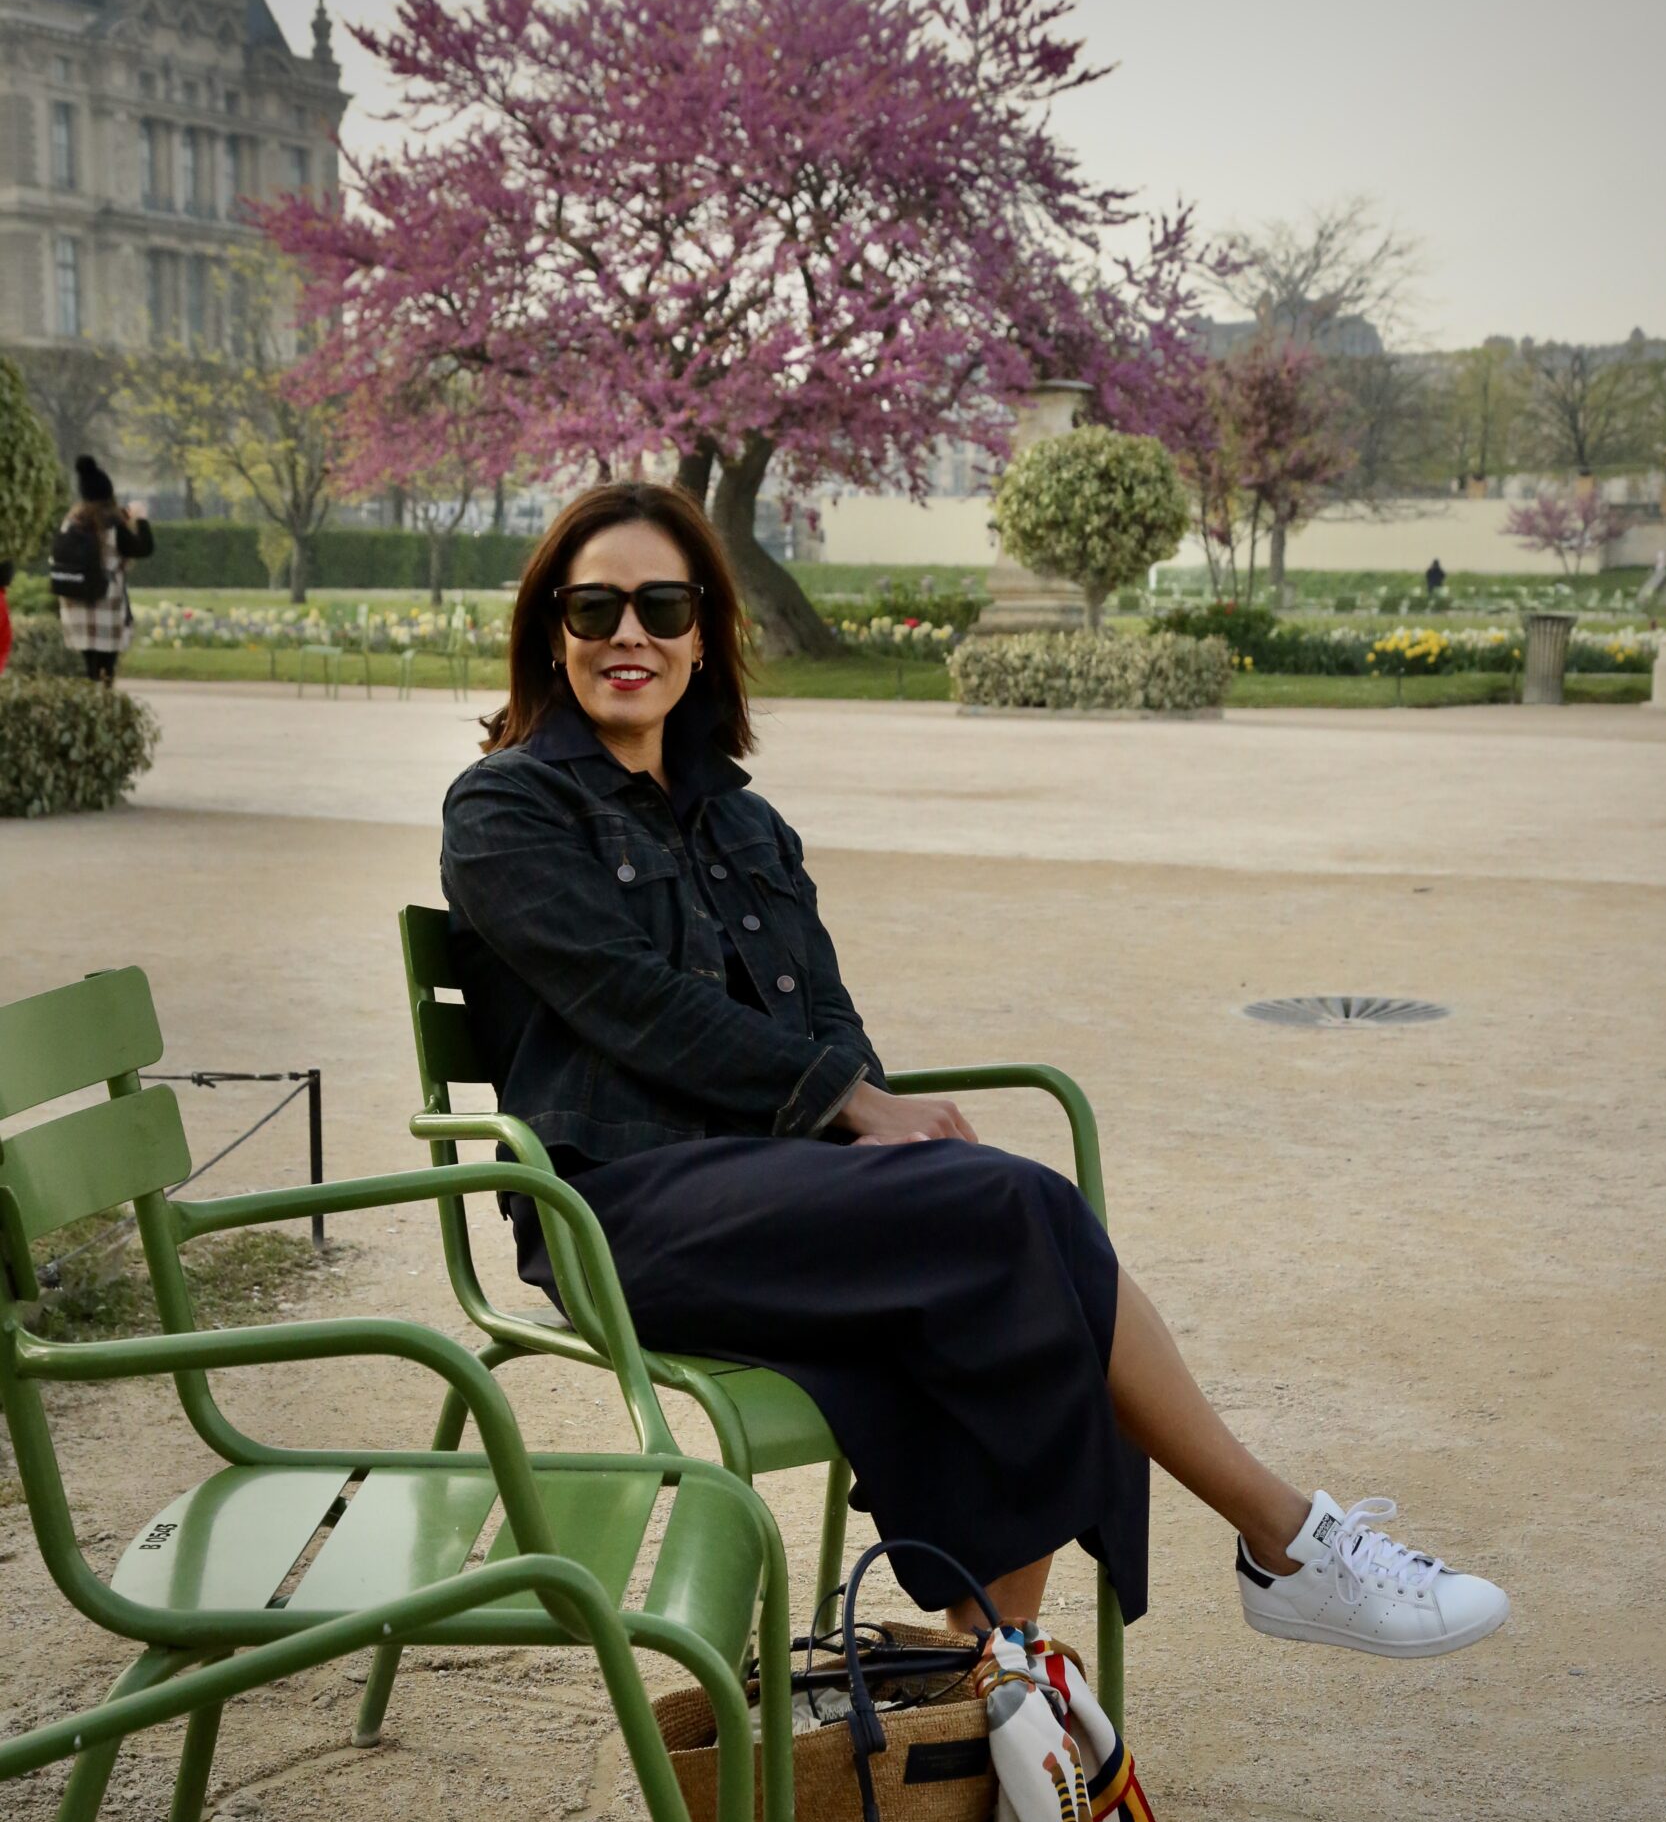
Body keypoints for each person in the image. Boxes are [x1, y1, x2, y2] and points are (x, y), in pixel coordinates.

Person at [441, 482, 1510, 1657]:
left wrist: (871, 1122)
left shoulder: (747, 825)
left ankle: (995, 1672)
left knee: (1003, 1242)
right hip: (619, 1211)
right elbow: (631, 1002)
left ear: (704, 634)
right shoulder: (505, 808)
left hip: (780, 1195)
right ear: (552, 630)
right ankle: (1278, 1542)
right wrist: (853, 1105)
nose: (629, 635)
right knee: (1016, 1212)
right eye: (594, 609)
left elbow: (827, 1013)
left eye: (662, 606)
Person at [53, 456, 152, 685]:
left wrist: (124, 513)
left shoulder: (70, 523)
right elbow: (143, 548)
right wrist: (141, 519)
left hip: (75, 603)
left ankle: (89, 699)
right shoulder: (113, 525)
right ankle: (103, 702)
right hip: (106, 604)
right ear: (108, 495)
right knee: (106, 668)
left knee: (89, 666)